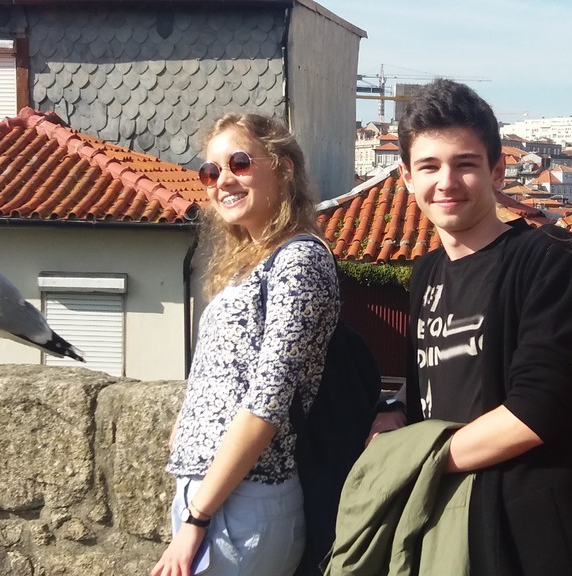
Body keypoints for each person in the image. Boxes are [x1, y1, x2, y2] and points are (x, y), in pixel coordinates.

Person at [364, 79, 572, 575]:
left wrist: (414, 459)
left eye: (465, 164)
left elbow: (539, 409)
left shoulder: (547, 260)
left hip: (525, 537)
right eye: (429, 166)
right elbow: (430, 381)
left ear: (497, 170)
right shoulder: (426, 273)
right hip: (441, 525)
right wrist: (395, 411)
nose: (446, 182)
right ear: (406, 177)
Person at [151, 113, 339, 576]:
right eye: (211, 171)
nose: (223, 181)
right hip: (212, 495)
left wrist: (197, 517)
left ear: (284, 168)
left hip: (246, 500)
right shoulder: (251, 265)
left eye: (239, 163)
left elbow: (266, 404)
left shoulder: (299, 261)